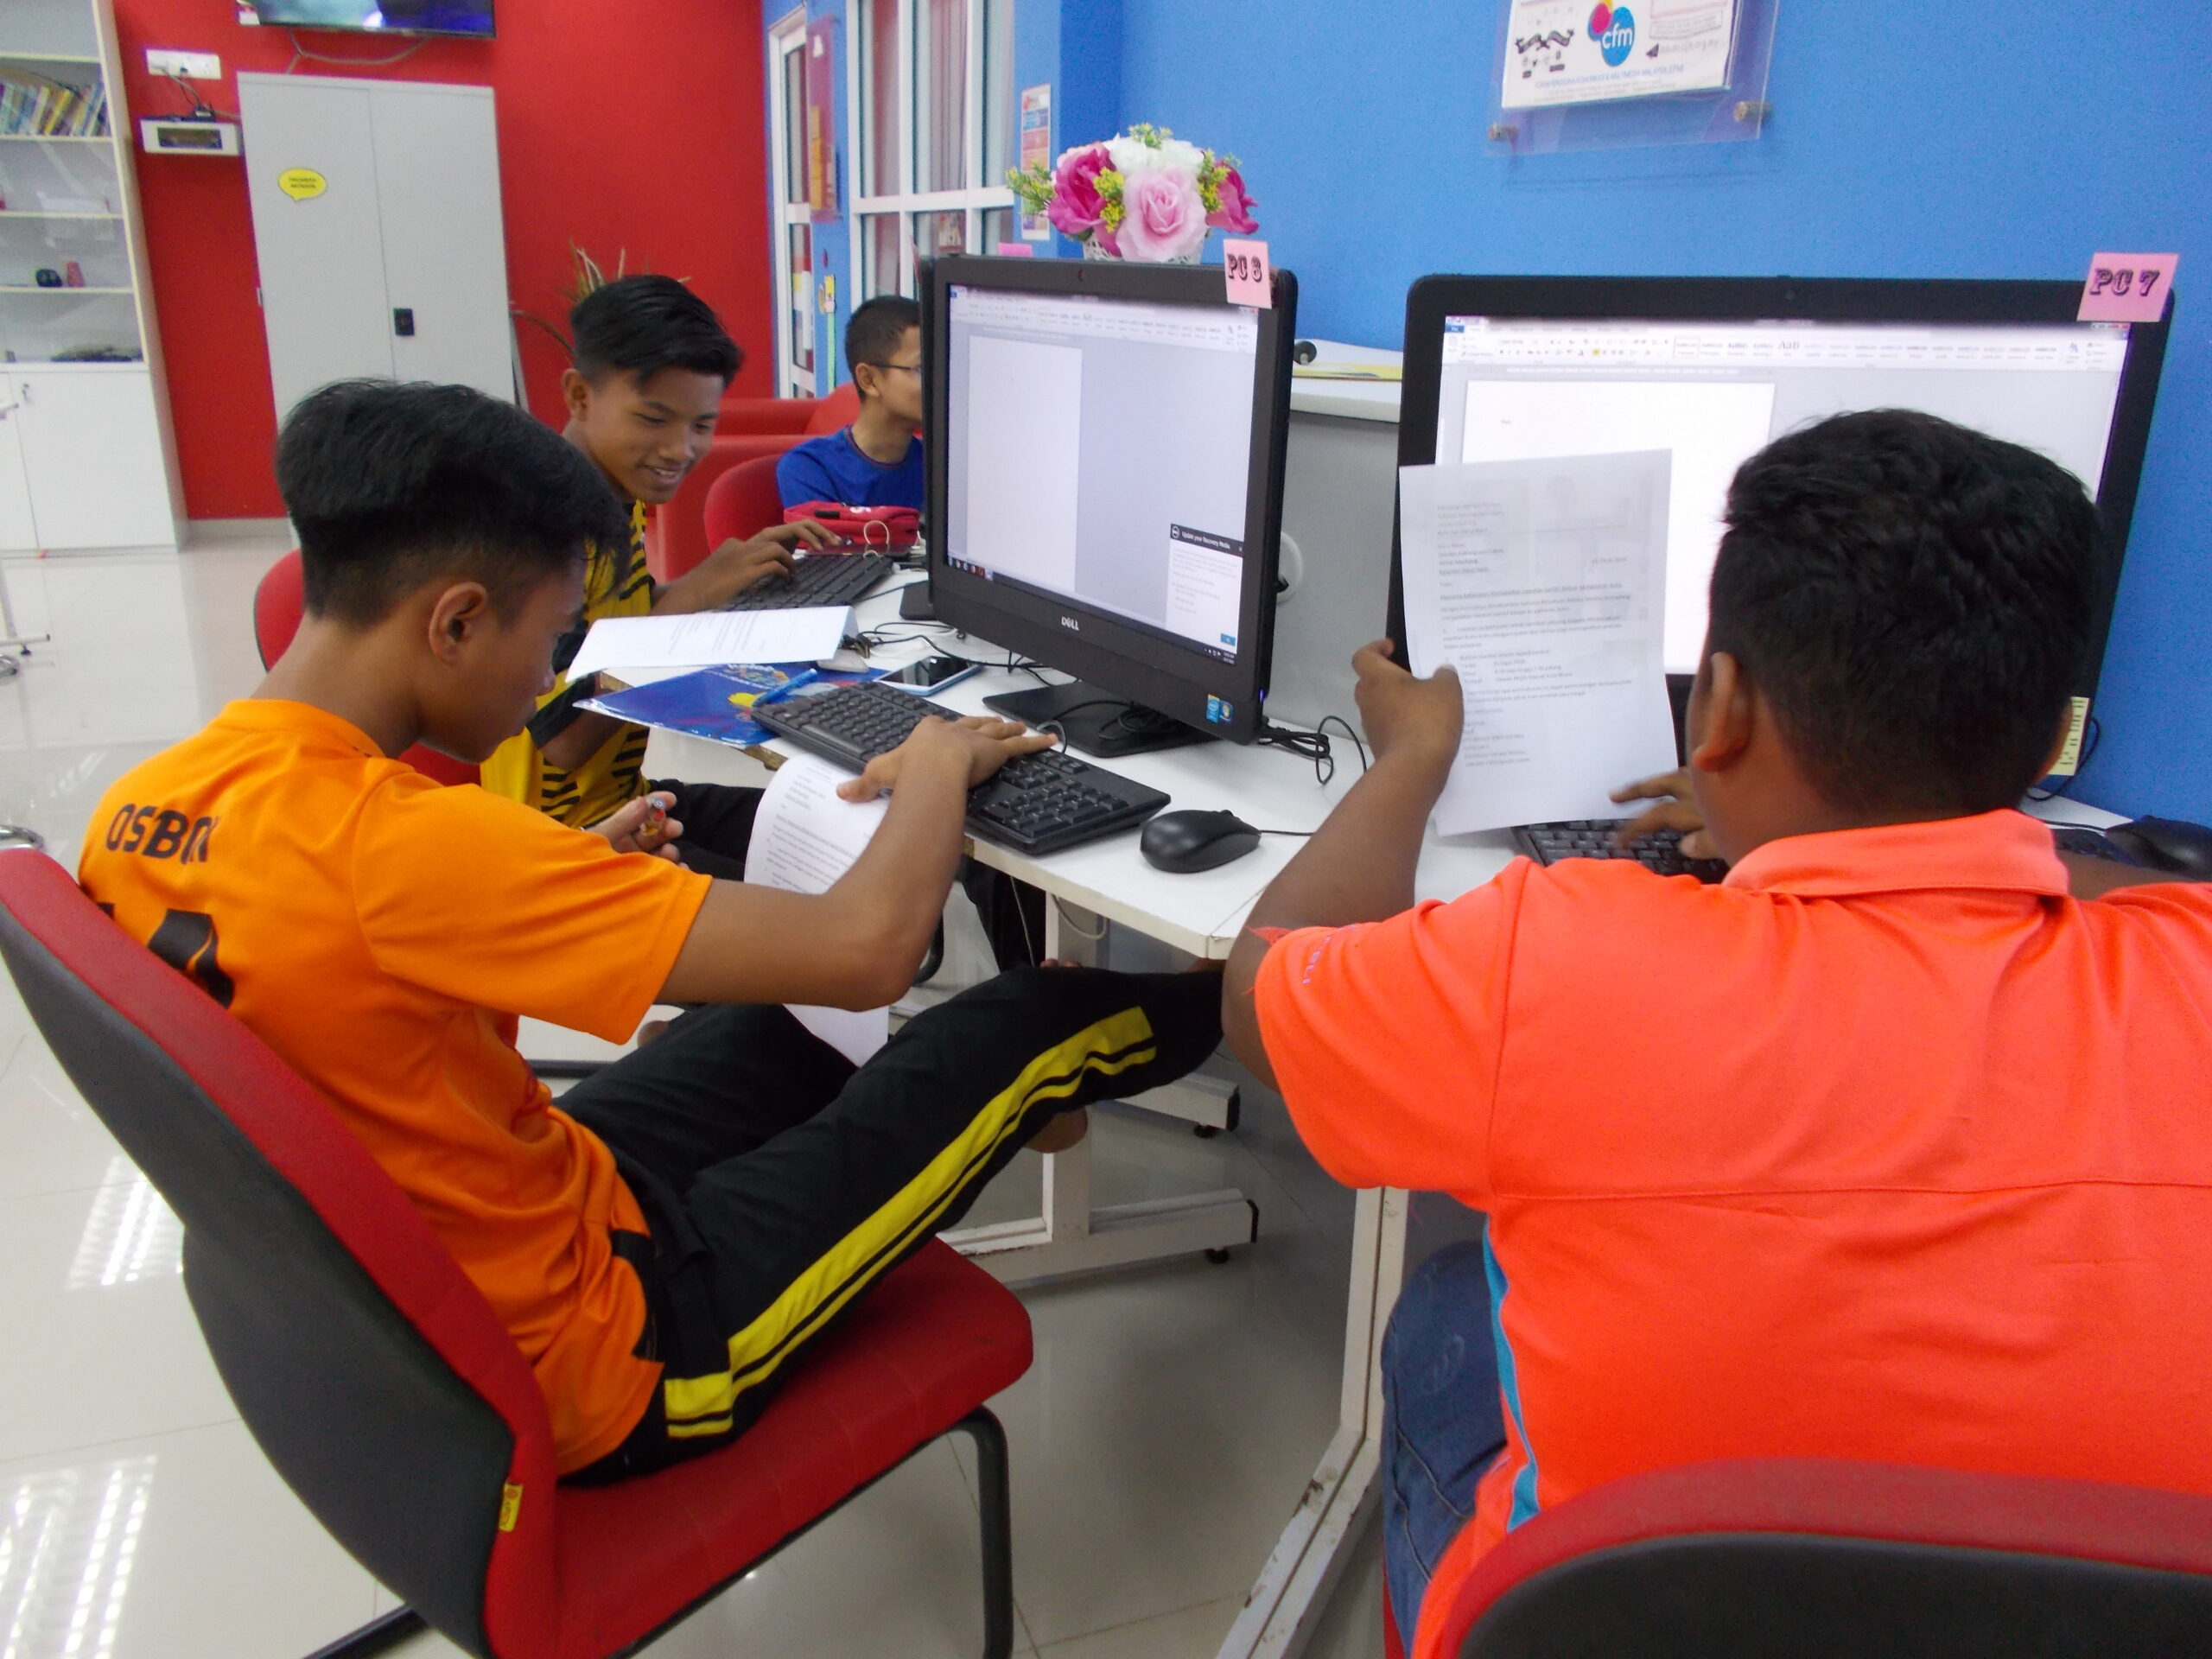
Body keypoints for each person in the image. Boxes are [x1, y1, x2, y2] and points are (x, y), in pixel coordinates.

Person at [79, 380, 1223, 1480]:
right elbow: (870, 950)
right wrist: (932, 764)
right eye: (555, 639)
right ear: (456, 621)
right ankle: (1244, 997)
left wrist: (556, 876)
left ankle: (1037, 1106)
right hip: (615, 1356)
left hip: (464, 1236)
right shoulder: (410, 842)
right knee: (1022, 1022)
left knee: (794, 1024)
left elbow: (349, 967)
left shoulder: (146, 803)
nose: (554, 674)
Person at [1220, 410, 2212, 1659]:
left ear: (1721, 707)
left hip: (1594, 1631)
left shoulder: (1557, 960)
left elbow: (1260, 991)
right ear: (2049, 730)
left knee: (1444, 1310)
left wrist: (1413, 754)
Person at [481, 274, 830, 878]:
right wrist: (692, 598)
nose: (679, 450)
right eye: (653, 419)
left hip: (632, 801)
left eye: (701, 425)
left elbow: (612, 621)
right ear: (579, 395)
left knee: (848, 829)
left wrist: (723, 582)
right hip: (566, 843)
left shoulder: (616, 497)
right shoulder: (540, 531)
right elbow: (562, 740)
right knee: (822, 902)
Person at [777, 295, 925, 512]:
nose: (942, 382)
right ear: (869, 379)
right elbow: (827, 535)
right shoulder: (810, 468)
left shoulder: (943, 466)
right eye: (921, 369)